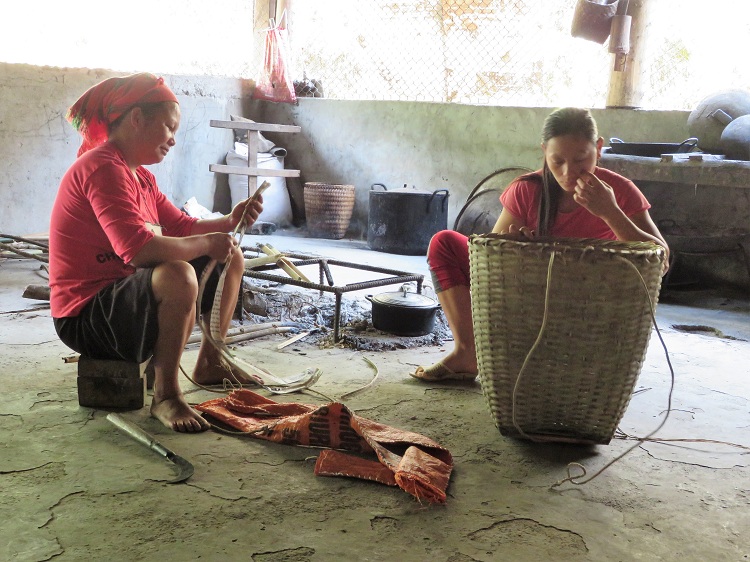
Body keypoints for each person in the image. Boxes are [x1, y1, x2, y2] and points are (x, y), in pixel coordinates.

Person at [49, 73, 263, 432]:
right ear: (137, 119)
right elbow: (138, 250)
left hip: (120, 298)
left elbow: (182, 227)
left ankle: (211, 362)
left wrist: (228, 221)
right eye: (168, 127)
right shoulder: (102, 167)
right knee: (178, 274)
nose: (173, 140)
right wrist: (207, 243)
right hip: (84, 316)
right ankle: (166, 396)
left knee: (230, 256)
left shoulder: (140, 177)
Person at [412, 107, 669, 382]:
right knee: (445, 243)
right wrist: (516, 249)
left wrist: (611, 212)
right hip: (529, 298)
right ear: (544, 151)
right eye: (557, 161)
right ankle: (468, 351)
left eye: (581, 160)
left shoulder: (619, 192)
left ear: (599, 148)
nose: (568, 172)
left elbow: (661, 262)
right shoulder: (527, 189)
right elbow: (485, 259)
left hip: (588, 307)